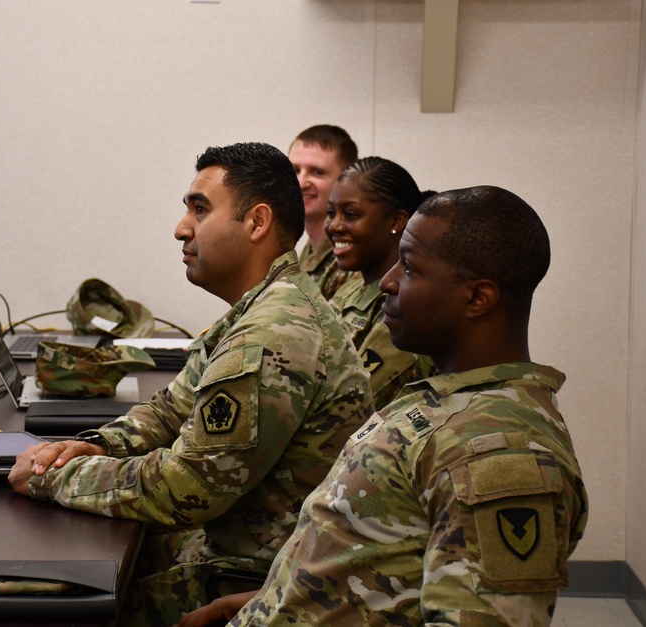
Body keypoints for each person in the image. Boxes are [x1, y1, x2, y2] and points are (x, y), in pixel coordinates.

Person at [180, 185, 588, 626]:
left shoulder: (498, 452)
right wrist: (272, 597)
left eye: (409, 267)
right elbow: (380, 560)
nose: (388, 281)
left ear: (477, 298)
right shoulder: (451, 401)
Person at [9, 142, 372, 627]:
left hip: (251, 580)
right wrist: (91, 446)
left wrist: (49, 477)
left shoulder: (276, 330)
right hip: (229, 551)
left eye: (200, 210)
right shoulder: (260, 309)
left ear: (257, 223)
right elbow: (168, 409)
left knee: (43, 605)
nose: (181, 228)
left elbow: (189, 486)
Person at [325, 156, 437, 409]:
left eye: (351, 214)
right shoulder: (351, 289)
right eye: (330, 212)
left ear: (396, 221)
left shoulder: (406, 305)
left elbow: (353, 407)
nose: (334, 225)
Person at [287, 124, 360, 300]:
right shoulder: (307, 251)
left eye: (317, 172)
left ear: (346, 180)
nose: (301, 182)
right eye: (295, 170)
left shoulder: (353, 258)